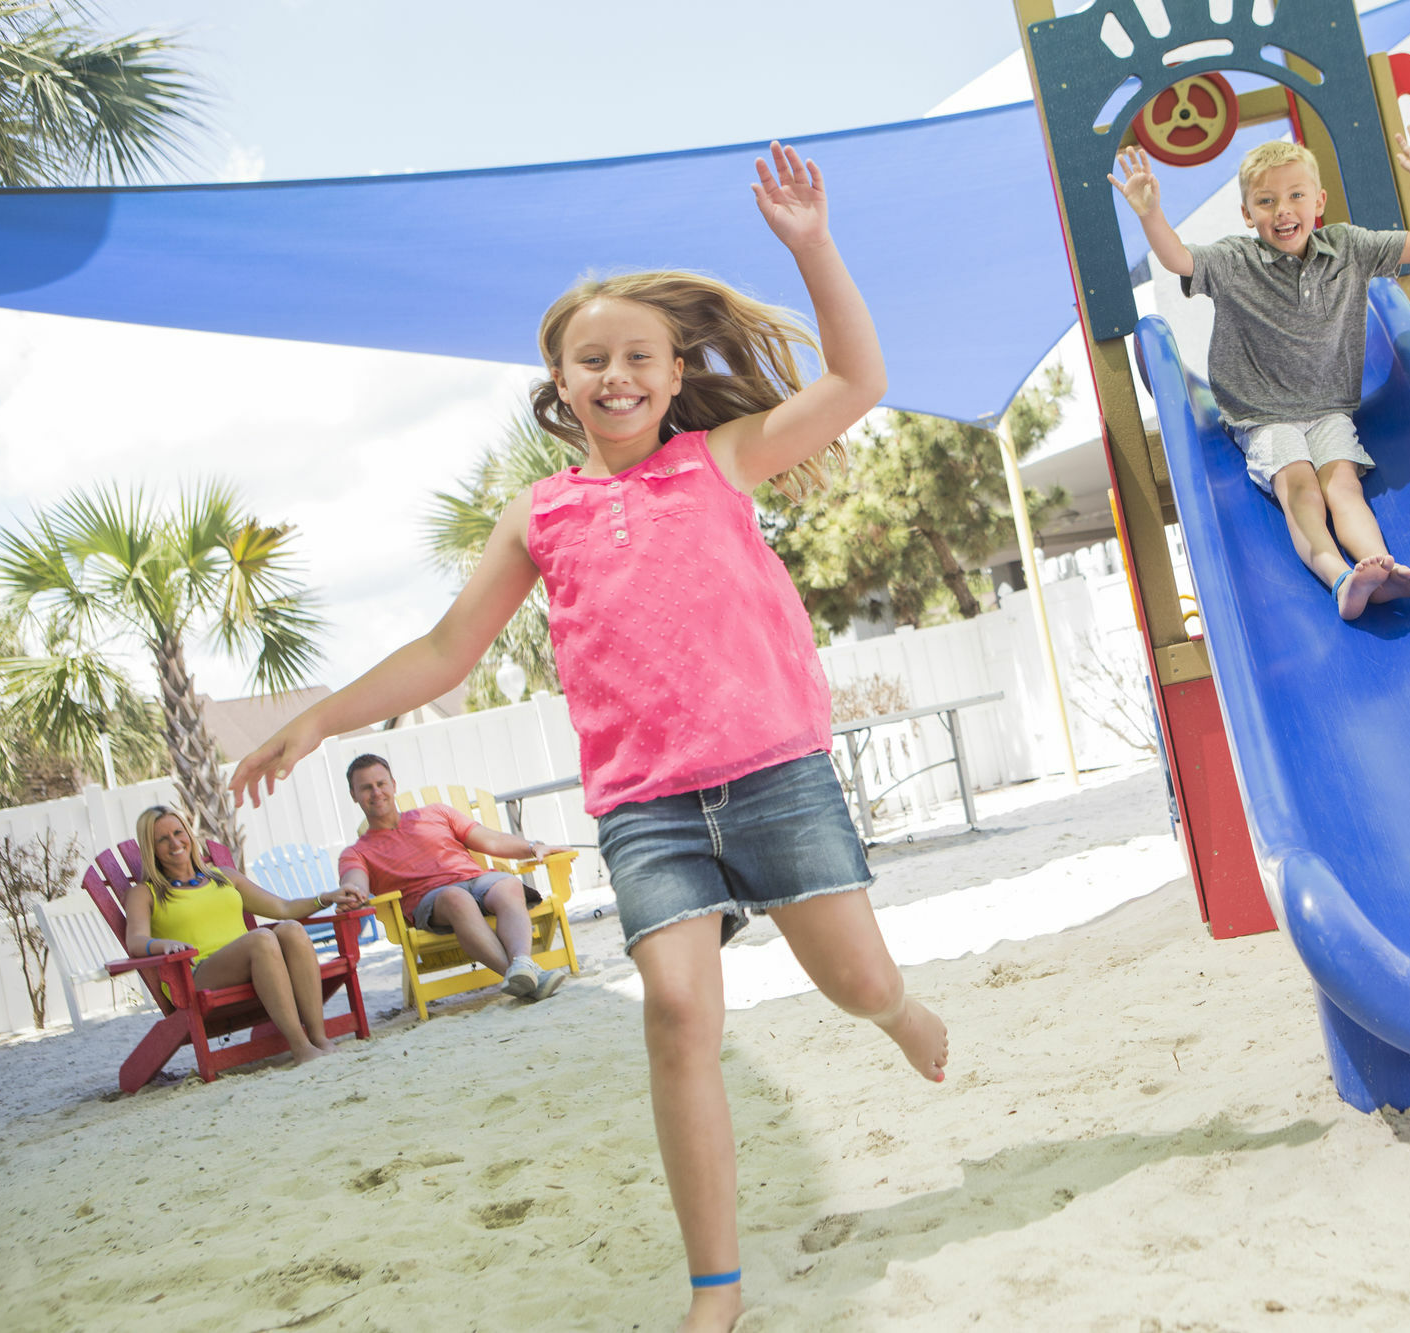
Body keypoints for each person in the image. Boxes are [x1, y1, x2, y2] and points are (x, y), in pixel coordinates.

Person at [229, 142, 947, 1333]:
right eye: (590, 360)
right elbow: (444, 652)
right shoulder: (540, 512)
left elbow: (859, 379)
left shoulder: (721, 459)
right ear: (558, 383)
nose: (614, 376)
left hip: (773, 775)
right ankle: (714, 1289)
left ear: (673, 376)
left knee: (858, 978)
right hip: (647, 808)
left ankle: (899, 1014)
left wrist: (810, 245)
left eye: (637, 359)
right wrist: (316, 716)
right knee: (675, 1014)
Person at [1110, 127, 1410, 620]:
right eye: (1265, 201)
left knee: (1343, 487)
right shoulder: (1236, 260)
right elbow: (1178, 258)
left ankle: (1379, 568)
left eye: (1295, 195)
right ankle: (1340, 580)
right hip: (1262, 416)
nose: (1282, 210)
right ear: (1248, 214)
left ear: (1319, 201)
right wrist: (1150, 213)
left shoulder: (1347, 247)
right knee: (1301, 486)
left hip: (1329, 409)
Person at [123, 804, 367, 1067]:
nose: (175, 842)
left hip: (254, 961)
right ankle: (301, 1047)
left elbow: (283, 908)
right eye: (163, 839)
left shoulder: (225, 877)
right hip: (195, 974)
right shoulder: (145, 893)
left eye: (178, 832)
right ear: (151, 849)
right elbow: (135, 941)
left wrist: (327, 897)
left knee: (291, 930)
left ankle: (319, 1039)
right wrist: (163, 944)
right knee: (262, 938)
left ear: (189, 835)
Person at [336, 752, 568, 1002]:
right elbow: (354, 881)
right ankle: (523, 978)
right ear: (354, 795)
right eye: (366, 788)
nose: (376, 792)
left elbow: (489, 839)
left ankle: (523, 966)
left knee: (509, 884)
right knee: (455, 897)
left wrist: (534, 847)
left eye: (381, 784)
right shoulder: (357, 852)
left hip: (477, 881)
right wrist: (352, 893)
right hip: (432, 900)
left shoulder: (437, 813)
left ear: (393, 785)